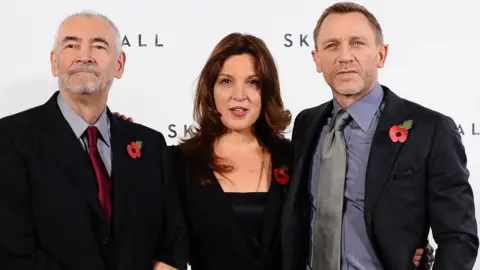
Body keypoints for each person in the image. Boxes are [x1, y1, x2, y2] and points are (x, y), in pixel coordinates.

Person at [115, 32, 434, 269]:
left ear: (266, 91)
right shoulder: (178, 162)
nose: (239, 95)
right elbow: (158, 246)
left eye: (252, 82)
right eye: (226, 81)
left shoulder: (297, 157)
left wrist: (407, 248)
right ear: (210, 92)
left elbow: (343, 217)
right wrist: (115, 131)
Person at [281, 2, 478, 270]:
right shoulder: (306, 123)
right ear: (317, 59)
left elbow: (459, 237)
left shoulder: (431, 130)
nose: (345, 56)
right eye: (332, 45)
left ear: (381, 55)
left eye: (357, 43)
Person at [0, 11, 187, 270]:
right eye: (71, 45)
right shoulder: (10, 139)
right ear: (54, 62)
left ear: (119, 64)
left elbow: (172, 243)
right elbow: (13, 252)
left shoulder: (151, 145)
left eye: (98, 46)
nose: (84, 56)